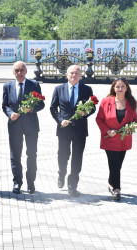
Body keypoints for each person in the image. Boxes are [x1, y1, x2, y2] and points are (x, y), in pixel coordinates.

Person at [50, 65, 95, 197]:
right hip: (64, 129)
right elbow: (53, 108)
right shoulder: (59, 89)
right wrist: (60, 120)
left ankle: (72, 184)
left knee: (77, 157)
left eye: (76, 73)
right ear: (67, 74)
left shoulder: (87, 89)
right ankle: (61, 173)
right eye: (71, 73)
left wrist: (84, 113)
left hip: (80, 129)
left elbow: (92, 108)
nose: (73, 76)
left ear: (80, 75)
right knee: (63, 155)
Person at [2, 61, 45, 194]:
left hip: (31, 125)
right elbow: (5, 105)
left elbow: (41, 104)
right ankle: (17, 182)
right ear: (13, 72)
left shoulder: (34, 85)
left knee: (31, 154)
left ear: (26, 71)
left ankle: (31, 182)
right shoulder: (7, 86)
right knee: (15, 155)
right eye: (17, 71)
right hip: (14, 125)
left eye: (21, 70)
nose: (19, 73)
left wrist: (31, 108)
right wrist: (10, 114)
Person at [96, 78, 137, 201]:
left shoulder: (131, 102)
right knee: (114, 164)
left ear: (126, 88)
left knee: (117, 165)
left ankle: (111, 181)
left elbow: (135, 120)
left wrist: (132, 127)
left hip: (124, 140)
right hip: (110, 139)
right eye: (117, 87)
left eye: (122, 87)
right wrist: (107, 131)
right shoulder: (106, 101)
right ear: (113, 88)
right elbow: (99, 119)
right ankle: (116, 189)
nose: (120, 89)